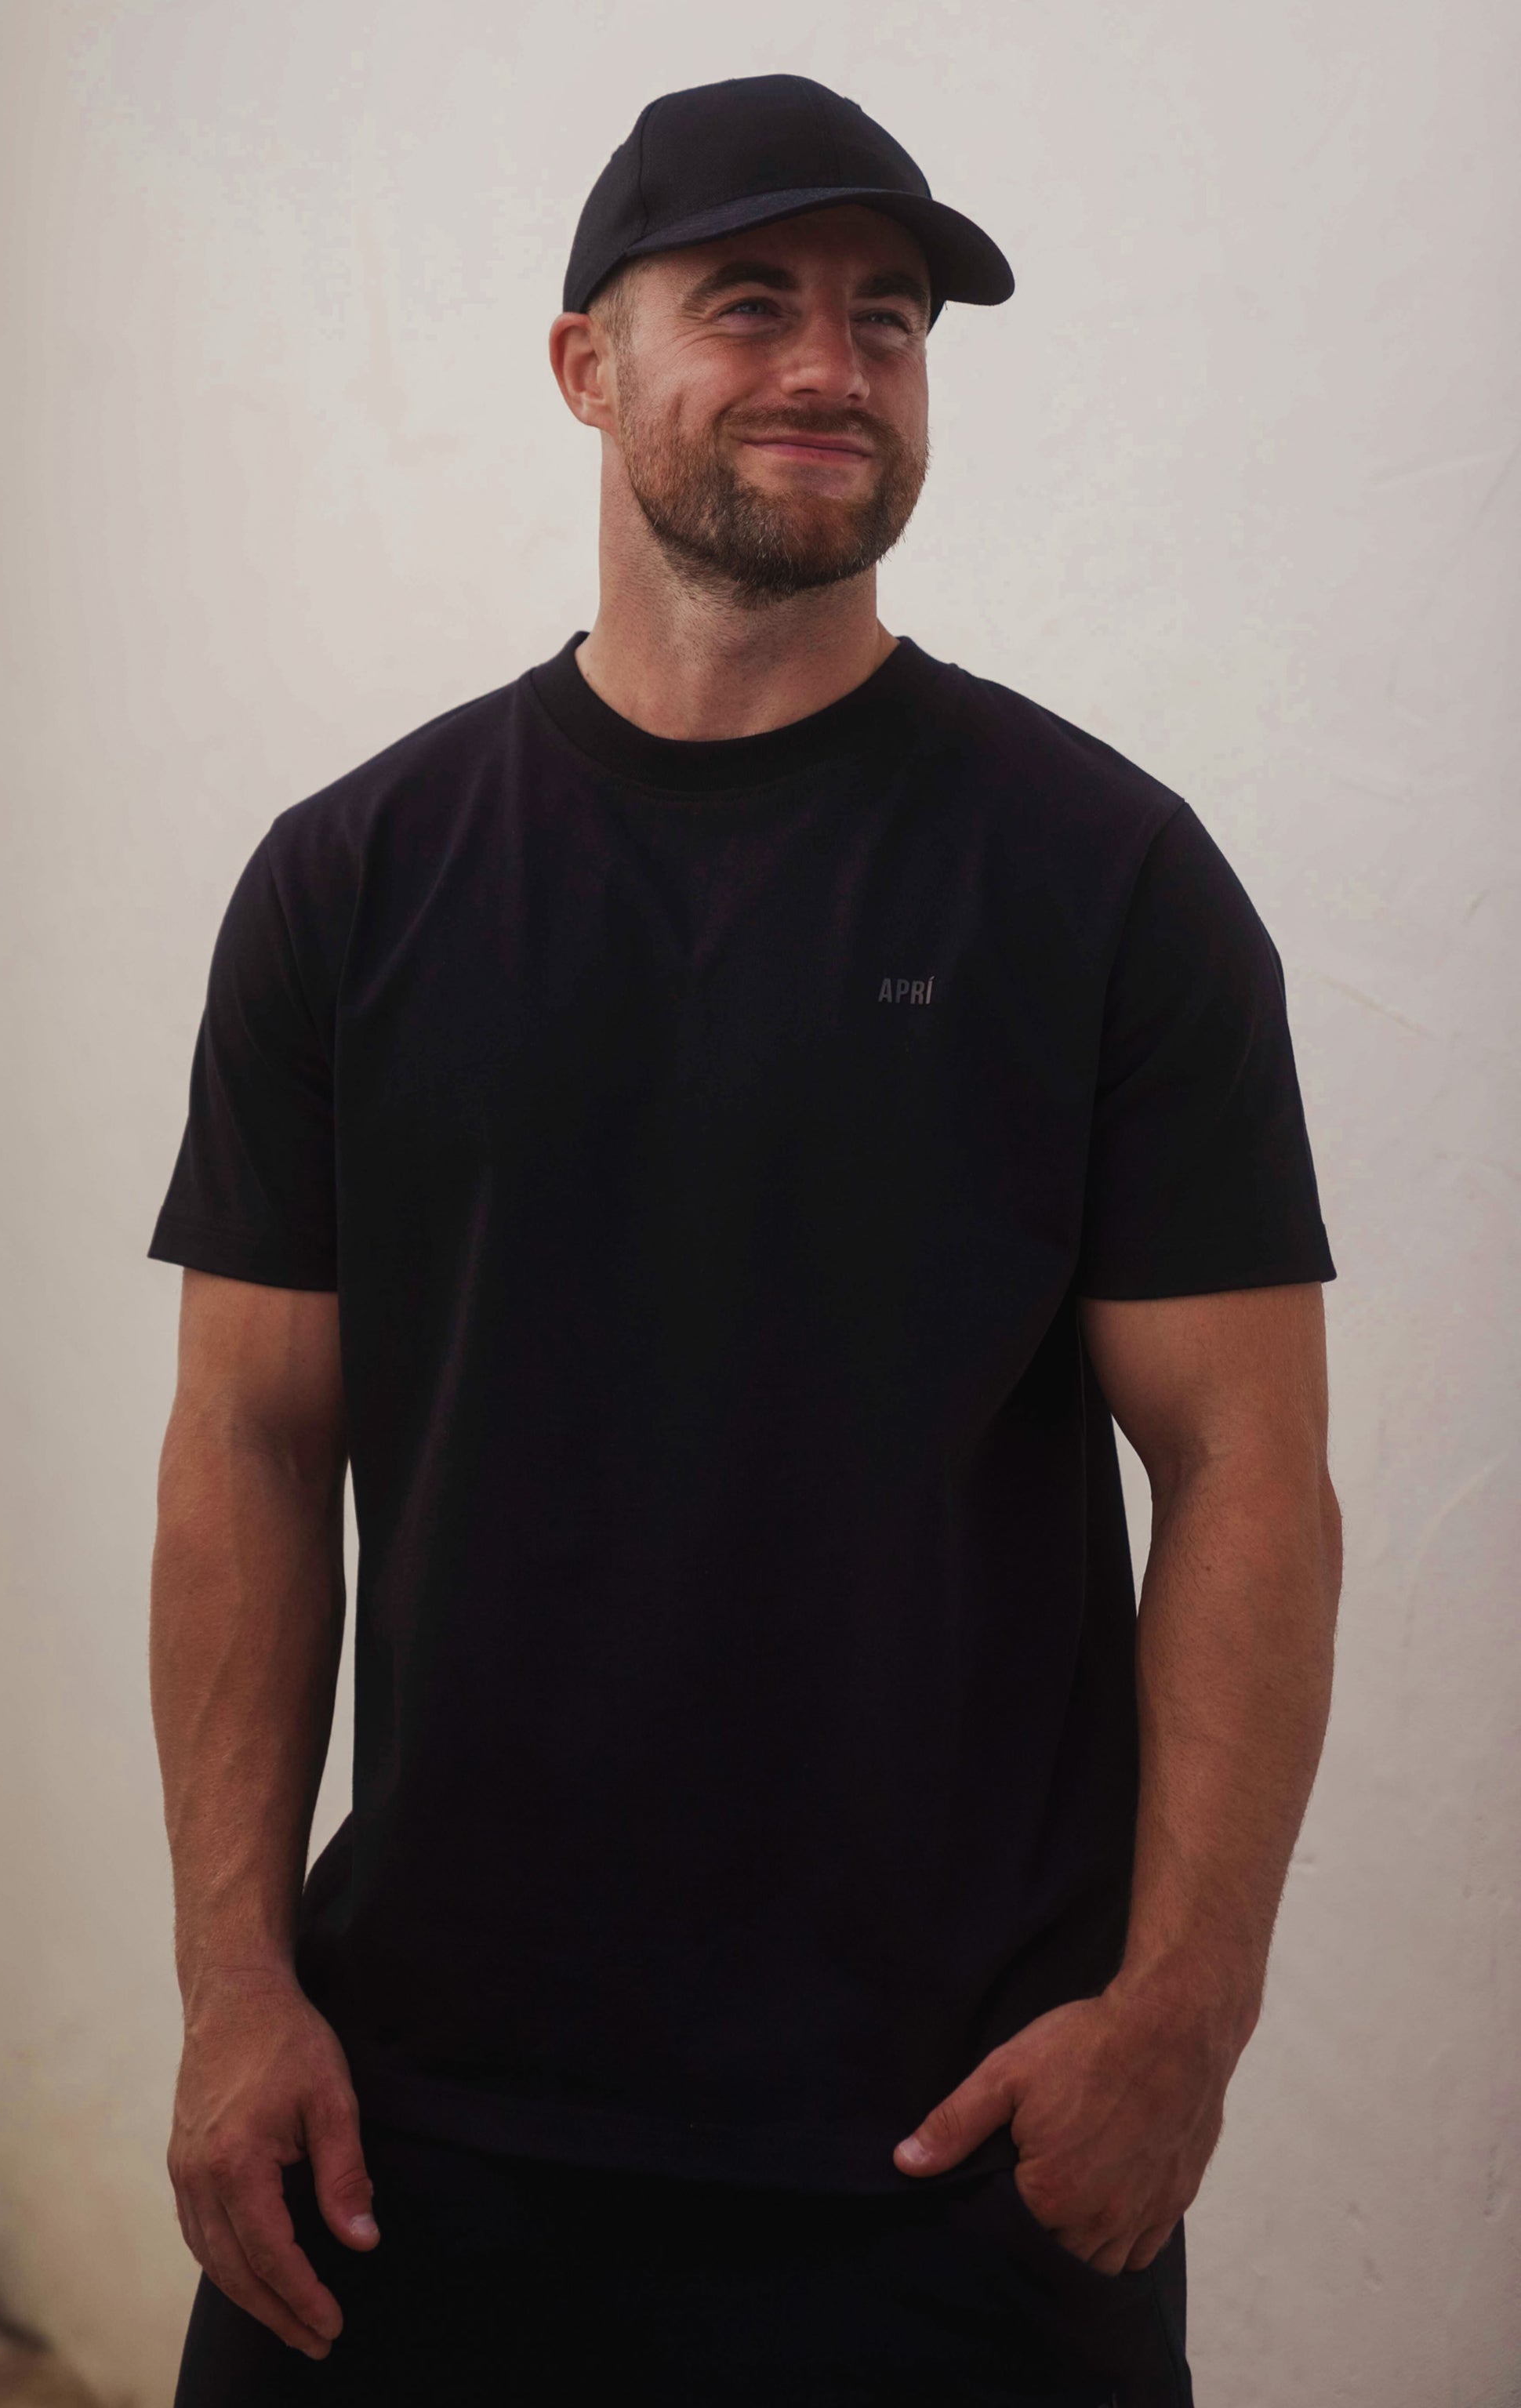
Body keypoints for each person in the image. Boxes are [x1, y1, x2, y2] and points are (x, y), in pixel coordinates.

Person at [150, 72, 1341, 2408]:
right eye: (755, 302)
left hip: (949, 2161)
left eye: (889, 323)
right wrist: (233, 1989)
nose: (833, 367)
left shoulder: (1105, 884)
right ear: (586, 362)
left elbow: (1248, 1478)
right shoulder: (355, 881)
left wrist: (1181, 2023)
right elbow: (251, 1452)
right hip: (418, 2134)